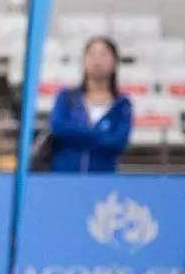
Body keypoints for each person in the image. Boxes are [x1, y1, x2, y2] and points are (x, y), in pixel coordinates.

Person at [48, 36, 133, 173]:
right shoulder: (66, 97)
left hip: (101, 181)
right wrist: (100, 135)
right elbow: (59, 128)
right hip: (64, 179)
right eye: (92, 54)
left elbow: (118, 142)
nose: (97, 60)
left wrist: (76, 136)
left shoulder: (122, 104)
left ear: (115, 61)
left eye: (103, 54)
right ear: (84, 60)